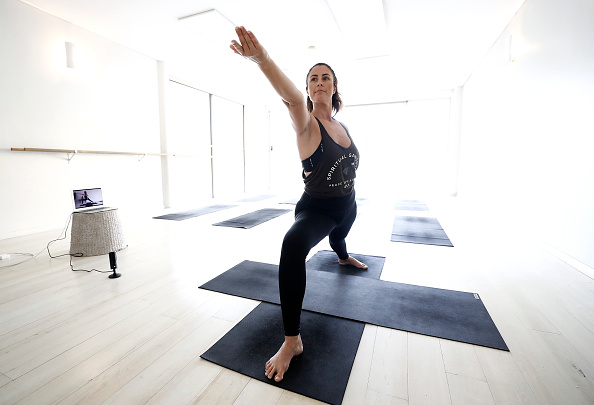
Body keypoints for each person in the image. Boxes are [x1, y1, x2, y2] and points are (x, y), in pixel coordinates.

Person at [230, 26, 368, 383]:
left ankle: (341, 255)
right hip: (317, 209)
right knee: (293, 244)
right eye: (313, 79)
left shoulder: (343, 124)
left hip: (348, 204)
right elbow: (291, 99)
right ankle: (292, 340)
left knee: (340, 240)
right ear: (308, 89)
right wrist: (263, 60)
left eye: (326, 78)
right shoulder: (305, 123)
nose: (319, 82)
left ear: (335, 87)